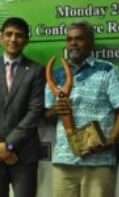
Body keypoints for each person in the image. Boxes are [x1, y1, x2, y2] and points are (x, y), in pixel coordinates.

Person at [45, 21, 119, 197]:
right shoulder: (56, 74)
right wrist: (55, 109)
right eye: (69, 39)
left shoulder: (107, 69)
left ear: (91, 42)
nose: (73, 43)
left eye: (79, 38)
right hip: (65, 160)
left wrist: (111, 140)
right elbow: (47, 115)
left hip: (99, 160)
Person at [0, 17, 45, 197]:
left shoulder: (36, 70)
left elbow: (35, 112)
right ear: (1, 37)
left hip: (24, 154)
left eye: (19, 35)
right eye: (9, 34)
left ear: (26, 40)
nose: (13, 39)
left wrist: (8, 146)